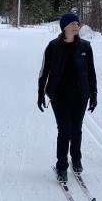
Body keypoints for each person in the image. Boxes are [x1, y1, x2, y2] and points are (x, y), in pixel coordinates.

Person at [37, 12, 98, 182]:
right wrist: (40, 93)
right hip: (59, 95)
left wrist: (93, 94)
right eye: (72, 24)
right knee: (64, 131)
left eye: (77, 24)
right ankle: (62, 165)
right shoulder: (53, 46)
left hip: (80, 96)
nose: (76, 26)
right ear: (64, 27)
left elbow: (91, 72)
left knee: (76, 130)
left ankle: (76, 158)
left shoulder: (85, 47)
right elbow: (44, 72)